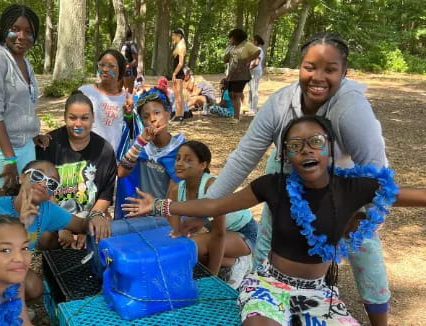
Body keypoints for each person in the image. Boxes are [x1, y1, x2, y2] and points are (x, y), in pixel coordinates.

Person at [124, 115, 426, 325]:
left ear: (330, 148)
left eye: (315, 141)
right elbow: (215, 203)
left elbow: (413, 195)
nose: (306, 149)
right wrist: (160, 205)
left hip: (320, 292)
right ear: (287, 155)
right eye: (295, 145)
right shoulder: (273, 185)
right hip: (270, 285)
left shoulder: (353, 188)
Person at [206, 33, 393, 325]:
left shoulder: (352, 108)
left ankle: (379, 320)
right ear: (299, 67)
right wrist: (208, 204)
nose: (318, 77)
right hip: (288, 169)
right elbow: (244, 156)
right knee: (271, 235)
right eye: (310, 67)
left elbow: (378, 173)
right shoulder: (281, 103)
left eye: (330, 69)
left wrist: (364, 216)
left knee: (364, 246)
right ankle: (265, 299)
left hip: (342, 178)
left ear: (344, 73)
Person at [0, 160, 110, 300]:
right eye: (37, 176)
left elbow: (81, 225)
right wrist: (21, 224)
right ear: (21, 177)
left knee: (34, 287)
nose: (43, 184)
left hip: (2, 268)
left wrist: (97, 217)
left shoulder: (47, 210)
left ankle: (9, 308)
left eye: (52, 184)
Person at [0, 4, 50, 197]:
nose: (22, 36)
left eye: (28, 31)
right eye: (15, 29)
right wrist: (9, 158)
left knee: (25, 207)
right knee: (2, 211)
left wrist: (31, 133)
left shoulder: (25, 62)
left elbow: (23, 106)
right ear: (4, 28)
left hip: (24, 147)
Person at [166, 140, 257, 289]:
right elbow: (175, 233)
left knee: (192, 246)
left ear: (203, 165)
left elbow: (218, 235)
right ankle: (230, 262)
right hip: (223, 235)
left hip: (245, 234)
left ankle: (240, 262)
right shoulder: (176, 190)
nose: (180, 163)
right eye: (178, 158)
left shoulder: (212, 187)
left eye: (188, 160)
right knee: (183, 247)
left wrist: (212, 278)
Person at [36, 91, 116, 245]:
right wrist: (62, 224)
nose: (78, 124)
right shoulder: (49, 145)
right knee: (45, 237)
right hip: (55, 214)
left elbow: (105, 196)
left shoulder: (105, 150)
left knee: (105, 226)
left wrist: (88, 226)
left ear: (93, 118)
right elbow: (44, 192)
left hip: (89, 214)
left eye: (84, 118)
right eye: (72, 118)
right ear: (65, 117)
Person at [118, 87, 185, 200]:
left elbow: (179, 191)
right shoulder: (139, 145)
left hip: (169, 213)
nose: (152, 119)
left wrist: (155, 207)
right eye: (145, 116)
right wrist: (140, 143)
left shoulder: (180, 149)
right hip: (140, 212)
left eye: (157, 113)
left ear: (168, 114)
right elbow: (121, 173)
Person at [78, 49, 132, 157]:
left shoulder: (126, 98)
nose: (105, 69)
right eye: (101, 65)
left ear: (120, 70)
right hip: (86, 155)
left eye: (111, 66)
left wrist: (129, 114)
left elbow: (129, 128)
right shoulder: (85, 92)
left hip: (113, 158)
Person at [223, 28, 260, 121]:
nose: (230, 39)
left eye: (232, 37)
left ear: (237, 37)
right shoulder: (232, 47)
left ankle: (236, 117)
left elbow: (257, 51)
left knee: (236, 94)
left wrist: (249, 59)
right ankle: (234, 114)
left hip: (242, 73)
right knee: (231, 94)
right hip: (232, 73)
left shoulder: (247, 45)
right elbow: (225, 59)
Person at [171, 28, 187, 122]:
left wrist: (174, 73)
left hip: (179, 73)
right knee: (178, 95)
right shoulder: (178, 46)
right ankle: (179, 114)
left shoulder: (181, 47)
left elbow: (180, 63)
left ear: (179, 36)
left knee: (178, 95)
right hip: (178, 73)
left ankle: (179, 115)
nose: (173, 37)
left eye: (174, 35)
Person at [247, 35, 265, 116]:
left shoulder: (259, 50)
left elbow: (256, 63)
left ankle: (254, 109)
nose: (250, 41)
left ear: (256, 42)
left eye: (252, 40)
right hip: (252, 72)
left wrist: (249, 68)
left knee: (254, 90)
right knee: (251, 90)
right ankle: (250, 108)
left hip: (255, 72)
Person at [121, 29, 138, 94]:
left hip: (130, 72)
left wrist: (127, 66)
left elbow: (135, 60)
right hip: (123, 71)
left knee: (129, 93)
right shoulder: (124, 44)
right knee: (124, 93)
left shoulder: (132, 45)